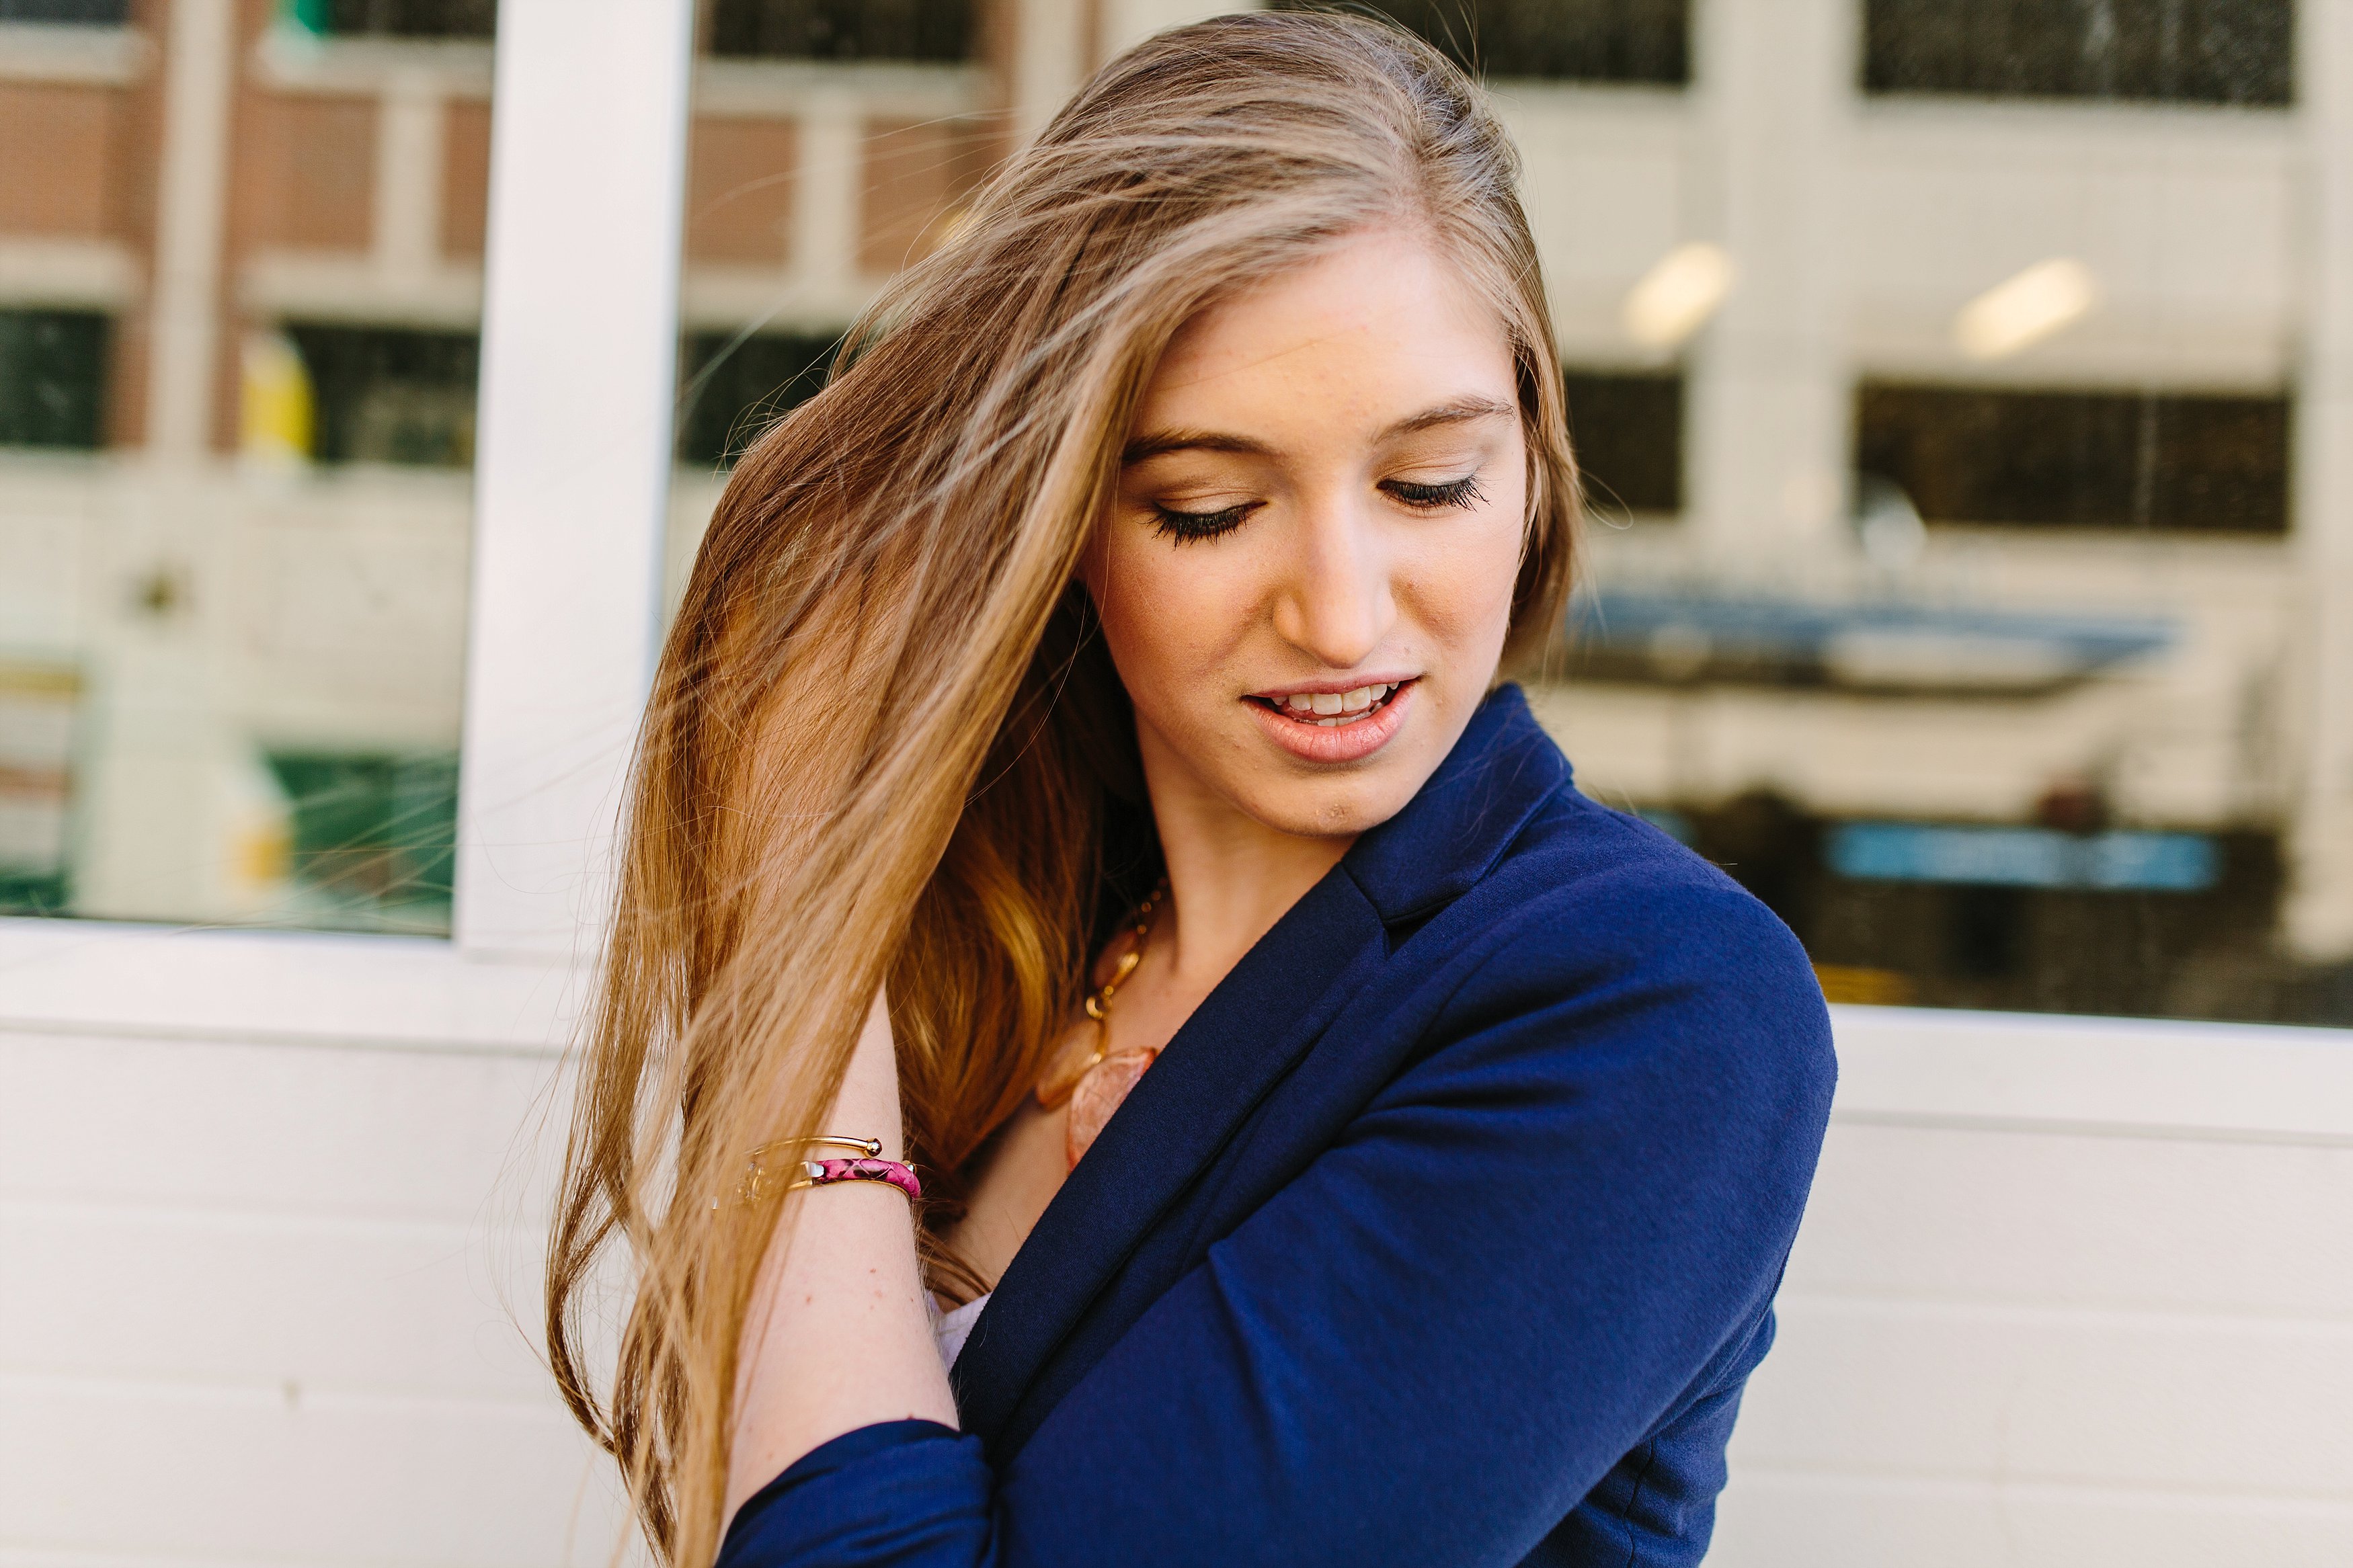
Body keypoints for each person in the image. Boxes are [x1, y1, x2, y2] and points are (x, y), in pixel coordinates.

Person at [545, 13, 1835, 1567]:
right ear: (1066, 518)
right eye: (1211, 510)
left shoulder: (1653, 1003)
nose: (1343, 615)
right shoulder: (1004, 937)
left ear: (1535, 468)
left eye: (1431, 483)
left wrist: (805, 1004)